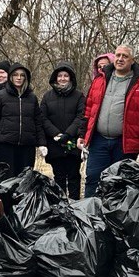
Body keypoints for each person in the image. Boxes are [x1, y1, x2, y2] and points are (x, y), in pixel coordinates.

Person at [81, 45, 139, 195]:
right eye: (118, 55)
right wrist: (82, 134)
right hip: (99, 141)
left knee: (120, 183)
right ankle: (90, 215)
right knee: (93, 179)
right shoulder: (100, 79)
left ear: (132, 60)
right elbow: (88, 109)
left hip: (125, 143)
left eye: (125, 56)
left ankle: (114, 217)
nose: (120, 59)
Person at [0, 63, 45, 176]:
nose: (19, 78)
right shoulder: (0, 96)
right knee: (8, 180)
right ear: (10, 77)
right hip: (6, 145)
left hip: (27, 145)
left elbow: (38, 121)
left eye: (22, 75)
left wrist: (42, 143)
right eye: (15, 75)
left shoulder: (32, 97)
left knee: (25, 179)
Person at [40, 63, 86, 198]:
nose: (63, 79)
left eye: (66, 76)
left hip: (73, 142)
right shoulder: (47, 96)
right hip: (54, 143)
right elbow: (42, 117)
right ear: (55, 78)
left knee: (74, 176)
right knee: (58, 177)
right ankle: (59, 207)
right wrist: (55, 133)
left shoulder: (79, 96)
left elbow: (81, 116)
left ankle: (76, 206)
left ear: (71, 78)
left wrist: (68, 134)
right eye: (60, 76)